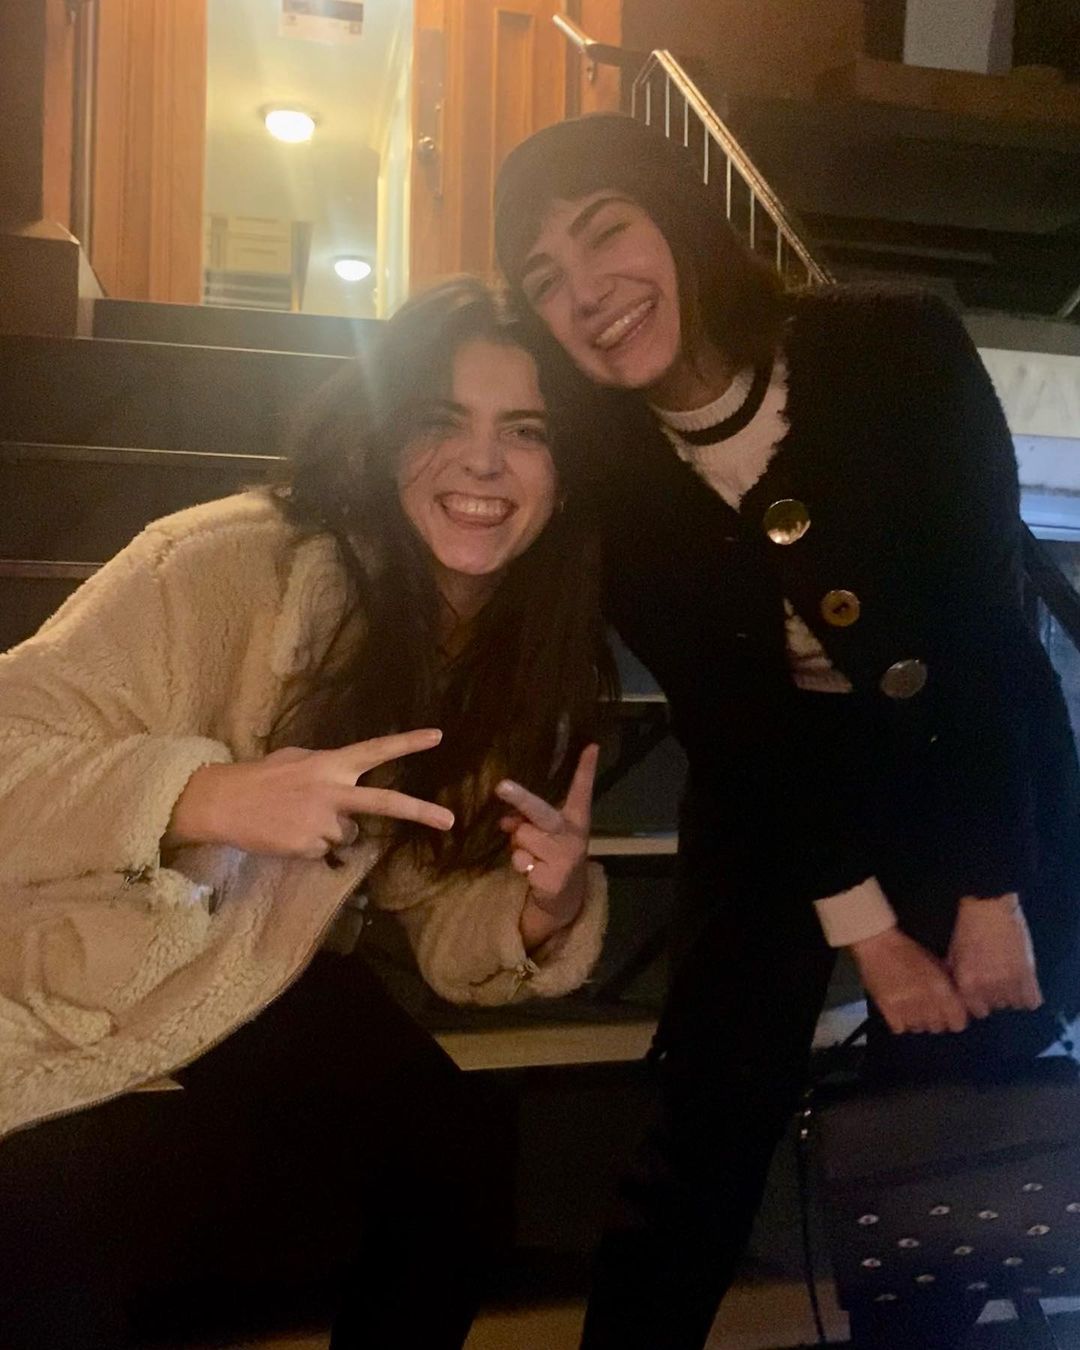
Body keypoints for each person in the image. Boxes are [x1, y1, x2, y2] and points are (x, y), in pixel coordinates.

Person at [493, 113, 1080, 1349]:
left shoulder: (893, 345)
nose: (586, 292)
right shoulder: (607, 470)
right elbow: (735, 717)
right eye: (544, 278)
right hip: (775, 780)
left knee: (955, 1108)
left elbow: (983, 622)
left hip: (971, 757)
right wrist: (868, 931)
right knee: (709, 1113)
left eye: (606, 231)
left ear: (677, 217)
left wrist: (988, 888)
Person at [0, 277, 613, 1350]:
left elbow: (429, 898)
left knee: (458, 1163)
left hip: (250, 959)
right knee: (64, 1228)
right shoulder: (221, 562)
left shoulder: (503, 647)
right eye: (443, 420)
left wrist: (541, 909)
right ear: (383, 442)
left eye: (526, 432)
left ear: (564, 479)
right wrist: (205, 795)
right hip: (65, 952)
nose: (483, 462)